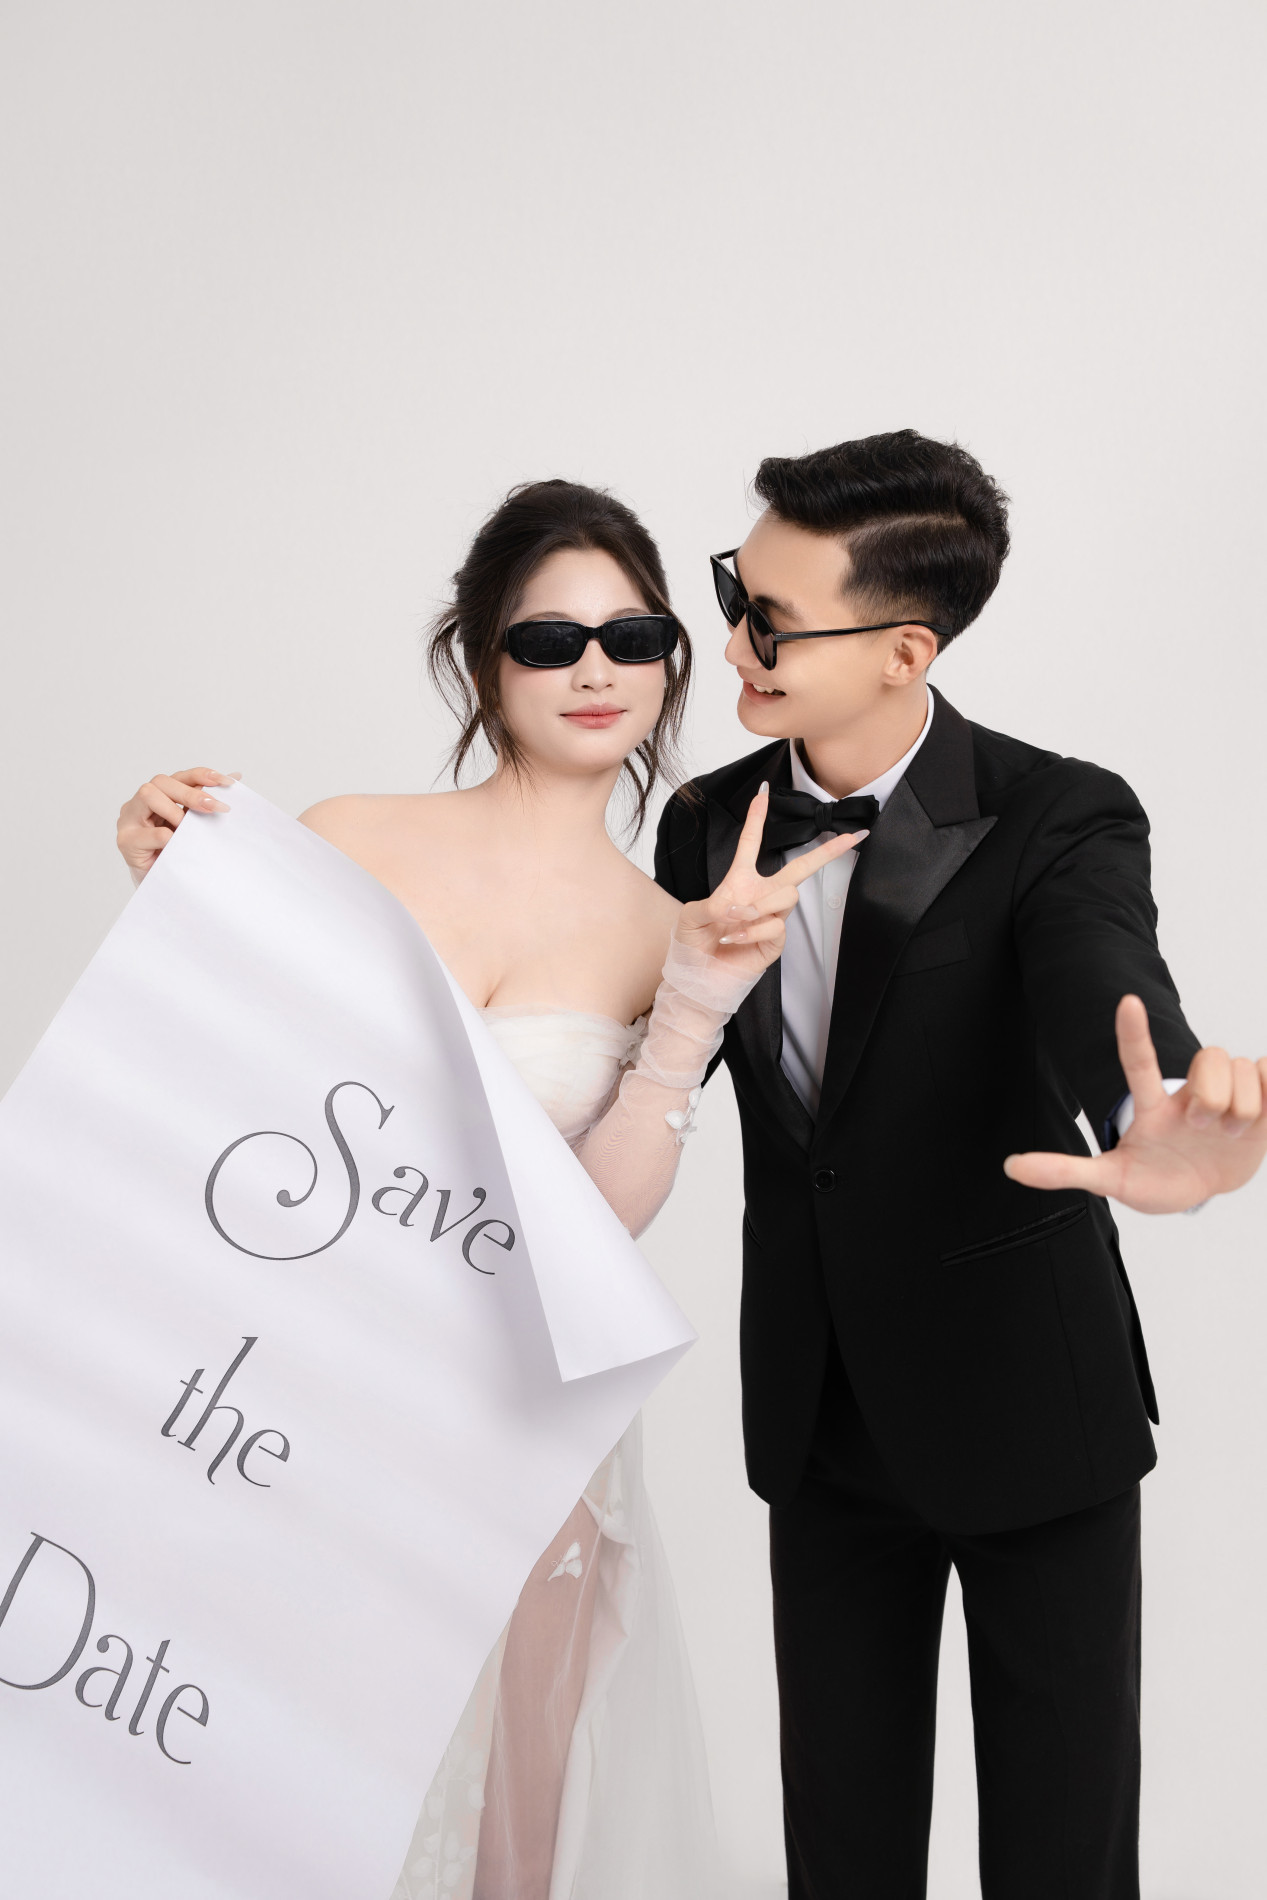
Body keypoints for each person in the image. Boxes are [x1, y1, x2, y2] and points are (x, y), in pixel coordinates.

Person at [114, 479, 860, 1900]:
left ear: (671, 662)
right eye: (549, 641)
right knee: (256, 1781)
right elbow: (223, 1101)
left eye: (634, 637)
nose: (596, 670)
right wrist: (163, 881)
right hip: (300, 1398)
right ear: (481, 659)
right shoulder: (346, 836)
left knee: (507, 1829)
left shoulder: (666, 925)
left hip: (521, 1418)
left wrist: (692, 1010)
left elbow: (599, 1228)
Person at [654, 430, 1267, 1900]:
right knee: (839, 1852)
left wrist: (1156, 1108)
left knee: (1063, 1857)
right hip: (816, 1412)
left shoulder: (1060, 812)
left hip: (1028, 1407)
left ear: (905, 650)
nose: (732, 644)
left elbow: (1101, 975)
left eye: (772, 622)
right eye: (736, 595)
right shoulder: (705, 823)